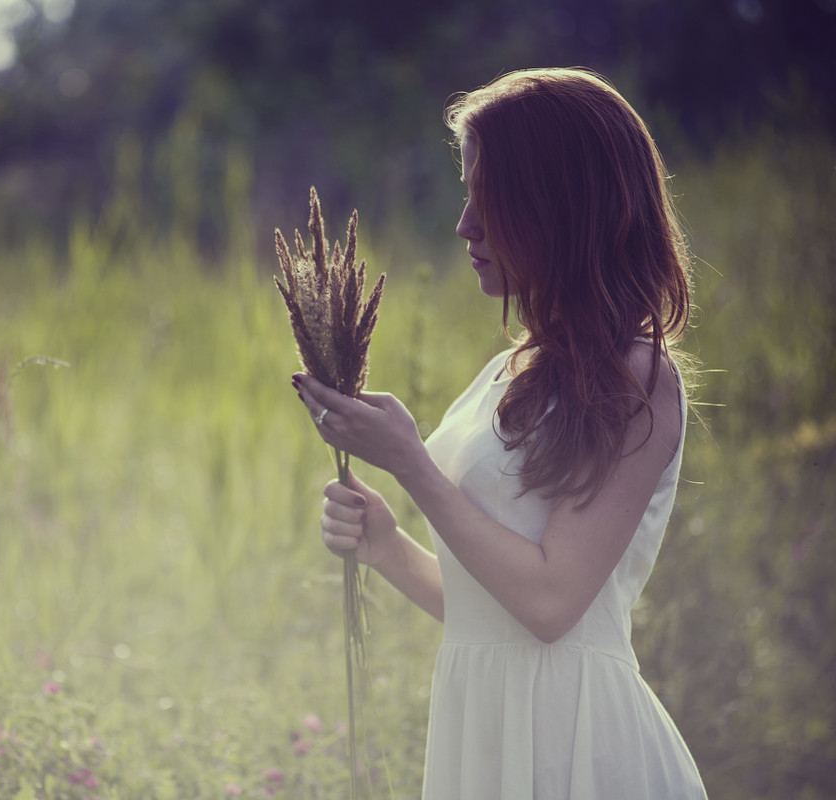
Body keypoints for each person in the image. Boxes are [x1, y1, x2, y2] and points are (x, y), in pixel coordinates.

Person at [292, 68, 708, 799]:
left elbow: (550, 606)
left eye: (490, 200)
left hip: (576, 745)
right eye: (467, 197)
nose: (465, 226)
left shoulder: (639, 377)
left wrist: (412, 466)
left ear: (560, 208)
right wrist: (387, 546)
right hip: (482, 735)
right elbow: (489, 607)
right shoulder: (504, 374)